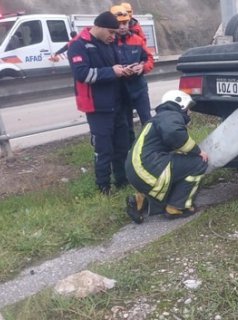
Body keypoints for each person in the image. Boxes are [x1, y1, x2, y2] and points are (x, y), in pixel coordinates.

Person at [67, 11, 133, 194]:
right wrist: (112, 72)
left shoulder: (109, 43)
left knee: (122, 146)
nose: (113, 36)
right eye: (111, 32)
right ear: (100, 27)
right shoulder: (78, 46)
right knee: (104, 149)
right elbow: (82, 74)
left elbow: (114, 68)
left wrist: (125, 70)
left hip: (118, 103)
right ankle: (103, 186)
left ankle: (122, 180)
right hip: (97, 107)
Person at [125, 90, 209, 224]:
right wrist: (197, 151)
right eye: (188, 108)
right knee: (198, 163)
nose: (190, 112)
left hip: (136, 171)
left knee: (179, 161)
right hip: (147, 170)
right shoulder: (171, 115)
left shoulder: (160, 117)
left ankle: (140, 200)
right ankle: (177, 207)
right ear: (180, 105)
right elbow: (173, 133)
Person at [111, 5, 154, 146]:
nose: (122, 27)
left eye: (125, 23)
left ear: (129, 22)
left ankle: (150, 148)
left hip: (139, 88)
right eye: (119, 24)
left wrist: (142, 67)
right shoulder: (108, 42)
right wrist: (120, 70)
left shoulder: (137, 40)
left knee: (147, 121)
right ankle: (130, 151)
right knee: (126, 125)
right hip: (120, 90)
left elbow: (149, 59)